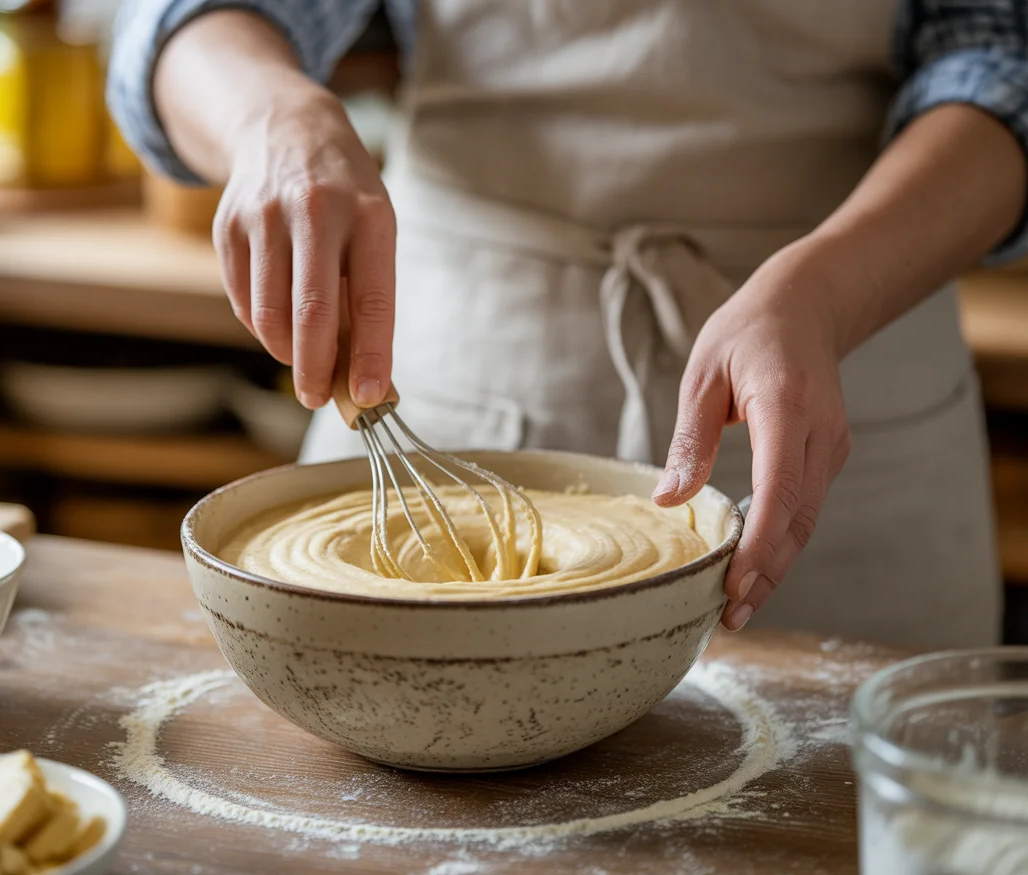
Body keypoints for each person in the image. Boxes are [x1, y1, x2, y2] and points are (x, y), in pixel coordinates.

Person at [108, 0, 1027, 647]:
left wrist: (828, 291)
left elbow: (1003, 69)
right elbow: (189, 20)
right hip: (459, 359)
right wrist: (271, 115)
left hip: (845, 367)